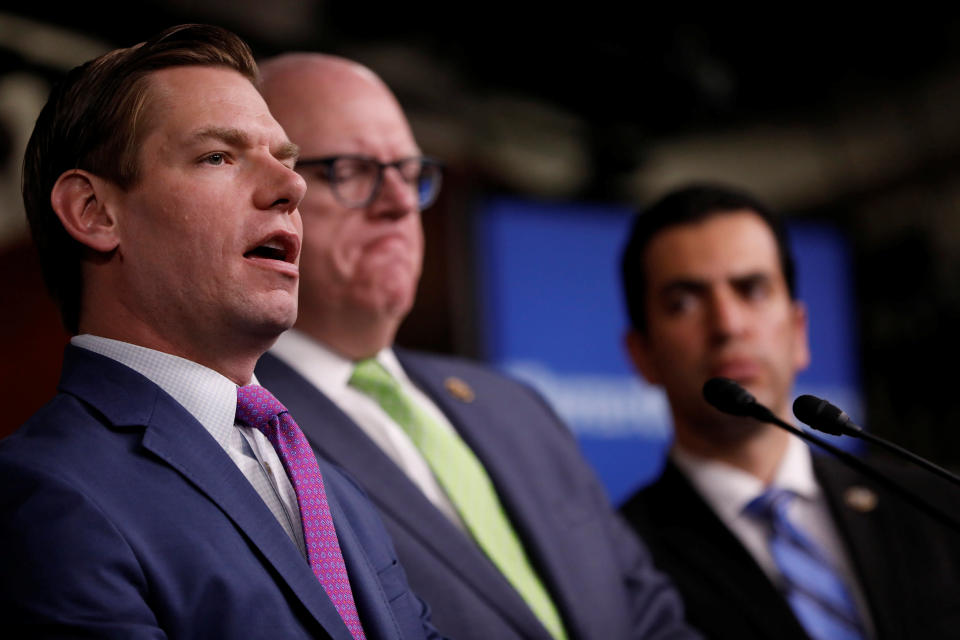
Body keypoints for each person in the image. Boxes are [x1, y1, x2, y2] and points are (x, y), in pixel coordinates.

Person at [0, 24, 444, 640]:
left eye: (285, 160)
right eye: (218, 156)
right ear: (95, 213)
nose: (292, 188)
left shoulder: (323, 480)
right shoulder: (45, 493)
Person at [254, 53, 698, 640]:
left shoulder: (515, 407)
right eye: (353, 170)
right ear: (262, 198)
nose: (398, 204)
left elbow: (650, 618)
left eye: (410, 173)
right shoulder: (249, 436)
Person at [617, 183, 960, 639]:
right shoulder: (620, 560)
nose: (728, 324)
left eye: (752, 289)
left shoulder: (933, 507)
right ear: (642, 354)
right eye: (684, 301)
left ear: (799, 332)